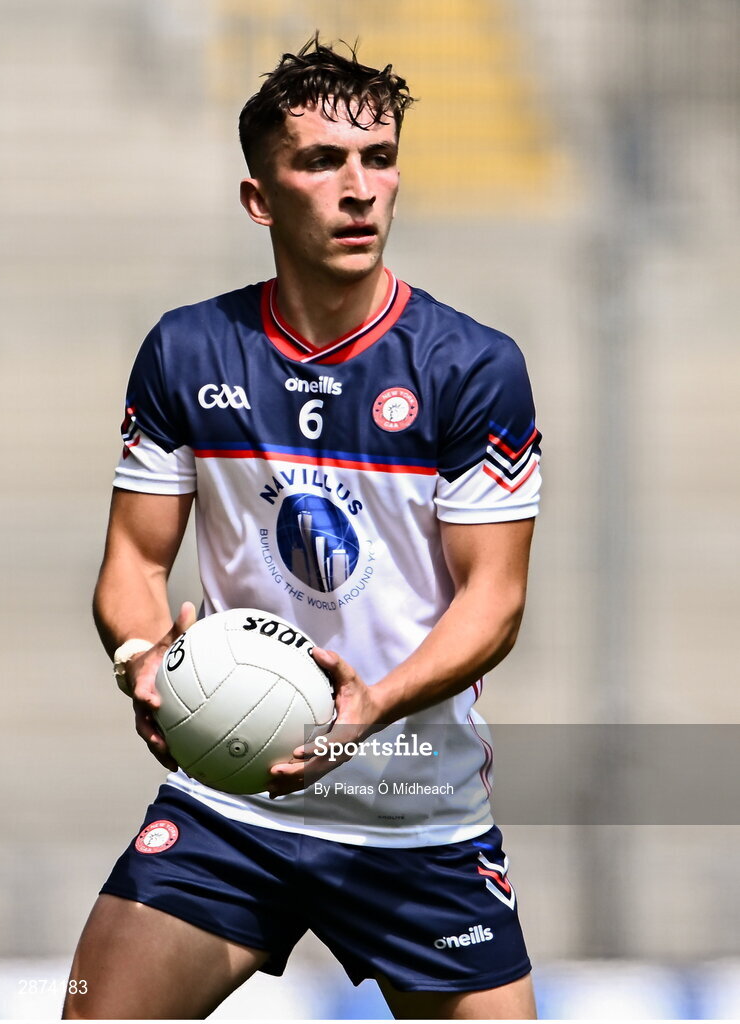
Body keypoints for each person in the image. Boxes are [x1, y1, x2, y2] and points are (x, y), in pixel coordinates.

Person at [63, 36, 542, 1021]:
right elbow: (132, 560)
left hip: (417, 813)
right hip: (232, 804)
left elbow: (493, 600)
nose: (359, 187)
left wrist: (372, 707)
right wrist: (144, 656)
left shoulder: (469, 367)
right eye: (321, 162)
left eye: (378, 158)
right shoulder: (188, 349)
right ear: (259, 198)